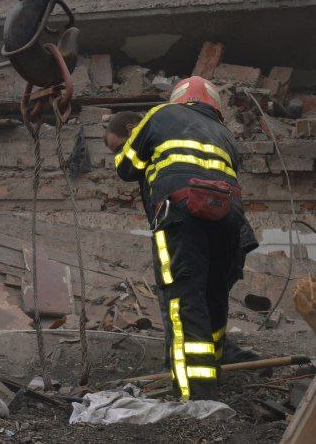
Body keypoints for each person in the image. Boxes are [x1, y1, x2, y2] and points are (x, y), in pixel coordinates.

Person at [108, 76, 257, 401]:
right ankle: (211, 378)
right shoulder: (225, 135)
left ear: (179, 99)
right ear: (214, 106)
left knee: (183, 301)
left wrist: (127, 147)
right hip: (229, 219)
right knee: (213, 297)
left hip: (179, 213)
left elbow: (127, 167)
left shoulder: (161, 115)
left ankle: (193, 396)